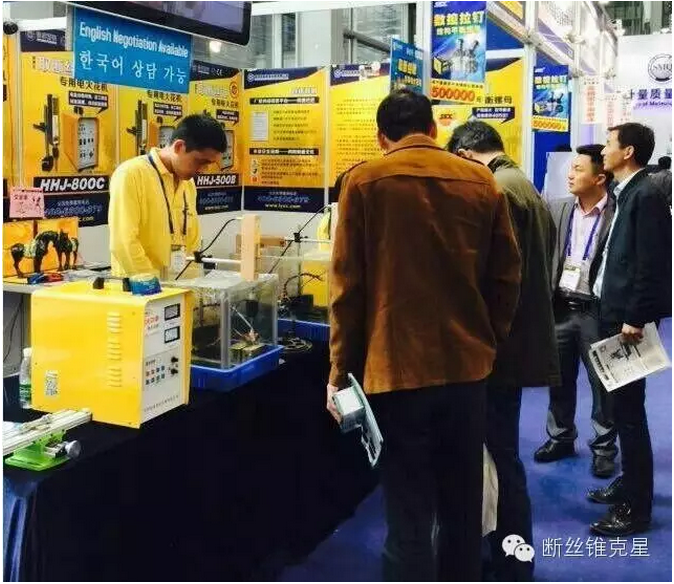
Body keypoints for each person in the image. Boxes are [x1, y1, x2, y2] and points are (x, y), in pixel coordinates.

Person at [326, 89, 522, 582]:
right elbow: (507, 277)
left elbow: (347, 288)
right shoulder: (481, 181)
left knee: (408, 512)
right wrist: (488, 341)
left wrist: (339, 373)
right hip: (466, 370)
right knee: (463, 507)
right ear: (434, 130)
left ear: (380, 137)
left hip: (394, 372)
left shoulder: (363, 182)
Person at [447, 121, 559, 582]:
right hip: (518, 341)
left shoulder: (499, 189)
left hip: (501, 348)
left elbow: (498, 277)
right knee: (501, 453)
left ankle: (512, 560)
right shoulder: (521, 183)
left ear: (466, 153)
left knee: (499, 455)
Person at [588, 123, 671, 536]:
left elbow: (653, 264)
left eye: (609, 144)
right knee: (620, 410)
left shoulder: (646, 195)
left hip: (627, 322)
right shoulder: (627, 193)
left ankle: (636, 509)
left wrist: (636, 317)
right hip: (613, 313)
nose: (603, 151)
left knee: (630, 413)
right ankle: (629, 483)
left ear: (628, 152)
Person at [534, 145, 618, 478]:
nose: (570, 175)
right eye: (570, 168)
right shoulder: (557, 208)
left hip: (596, 311)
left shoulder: (617, 212)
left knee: (603, 384)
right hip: (560, 308)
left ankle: (604, 448)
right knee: (558, 379)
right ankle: (561, 437)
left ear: (600, 178)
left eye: (579, 169)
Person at [109, 114, 227, 278]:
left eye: (209, 165)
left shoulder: (188, 184)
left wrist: (193, 286)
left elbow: (192, 243)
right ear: (179, 147)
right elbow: (123, 242)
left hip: (177, 288)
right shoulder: (131, 174)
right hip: (138, 288)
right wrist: (151, 286)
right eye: (201, 162)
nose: (203, 170)